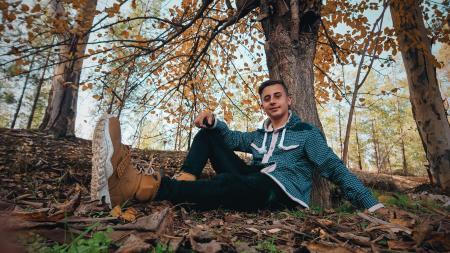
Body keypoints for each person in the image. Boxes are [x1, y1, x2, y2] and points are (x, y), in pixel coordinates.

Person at [90, 79, 385, 213]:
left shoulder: (306, 133)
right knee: (209, 136)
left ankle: (141, 188)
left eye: (277, 96)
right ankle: (185, 180)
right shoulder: (260, 134)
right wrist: (213, 119)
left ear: (288, 100)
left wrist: (371, 204)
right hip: (254, 178)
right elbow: (231, 140)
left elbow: (334, 168)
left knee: (230, 182)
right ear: (263, 104)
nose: (272, 101)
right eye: (267, 98)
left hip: (281, 192)